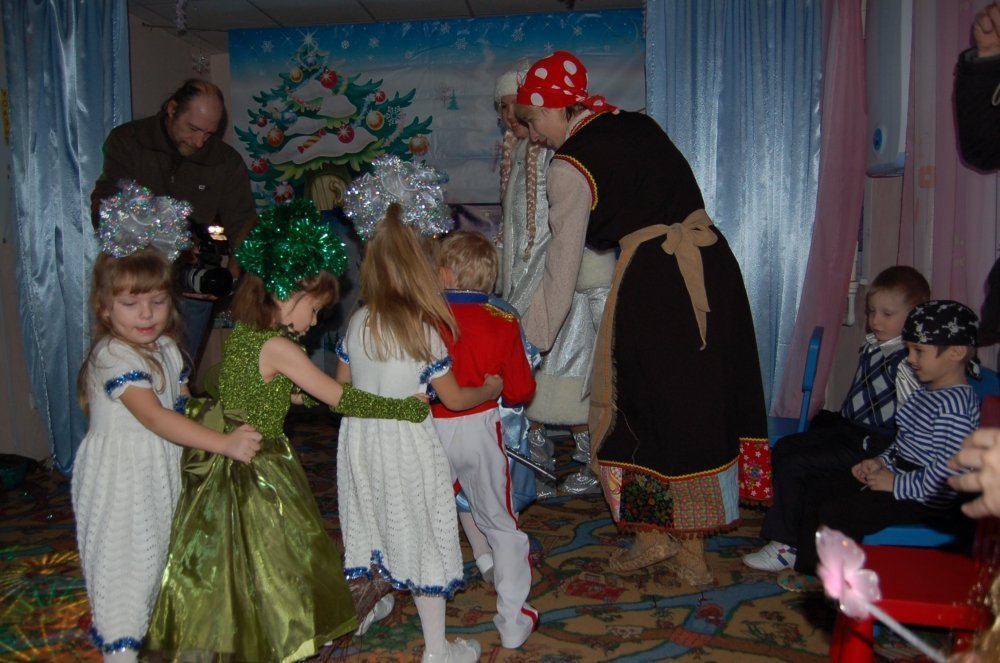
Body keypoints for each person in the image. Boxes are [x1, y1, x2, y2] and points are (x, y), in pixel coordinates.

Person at [514, 51, 770, 585]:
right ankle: (666, 540)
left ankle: (681, 548)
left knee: (643, 406)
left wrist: (524, 345)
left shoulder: (569, 167)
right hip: (712, 268)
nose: (534, 136)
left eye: (533, 121)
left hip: (656, 282)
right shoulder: (638, 124)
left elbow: (560, 272)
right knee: (696, 402)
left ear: (556, 107)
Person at [144, 199, 431, 663]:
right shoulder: (281, 347)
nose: (313, 323)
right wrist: (401, 408)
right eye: (313, 310)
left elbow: (246, 387)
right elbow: (340, 398)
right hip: (258, 463)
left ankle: (240, 633)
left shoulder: (246, 333)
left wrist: (297, 396)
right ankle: (279, 639)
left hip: (225, 457)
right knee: (278, 556)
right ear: (284, 294)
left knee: (234, 559)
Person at [72, 186, 263, 662]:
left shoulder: (167, 349)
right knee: (124, 574)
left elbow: (183, 407)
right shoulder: (113, 355)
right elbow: (155, 417)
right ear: (104, 307)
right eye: (131, 304)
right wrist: (222, 443)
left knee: (162, 564)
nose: (146, 315)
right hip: (121, 482)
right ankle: (120, 651)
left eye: (157, 302)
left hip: (160, 473)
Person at [337, 176, 501, 661]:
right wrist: (490, 389)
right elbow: (454, 398)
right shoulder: (421, 329)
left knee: (373, 519)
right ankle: (436, 650)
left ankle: (368, 606)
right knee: (425, 532)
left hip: (360, 445)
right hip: (407, 446)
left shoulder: (357, 321)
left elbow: (343, 388)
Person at [742, 265, 928, 572]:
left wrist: (889, 460)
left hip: (873, 443)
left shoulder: (907, 363)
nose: (875, 321)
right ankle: (792, 527)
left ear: (914, 316)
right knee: (786, 448)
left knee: (797, 463)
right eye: (872, 312)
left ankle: (787, 545)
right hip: (849, 429)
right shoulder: (876, 347)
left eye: (887, 314)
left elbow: (911, 424)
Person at [790, 300, 981, 579]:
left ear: (956, 352)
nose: (911, 359)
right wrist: (881, 461)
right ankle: (812, 571)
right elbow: (905, 442)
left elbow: (950, 476)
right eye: (909, 349)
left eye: (919, 351)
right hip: (905, 478)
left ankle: (844, 587)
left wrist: (896, 483)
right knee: (821, 488)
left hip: (931, 498)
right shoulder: (926, 392)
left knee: (841, 513)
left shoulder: (955, 408)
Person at [494, 60, 614, 497]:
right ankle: (536, 455)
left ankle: (590, 457)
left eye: (516, 106)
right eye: (502, 108)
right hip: (523, 282)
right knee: (533, 373)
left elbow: (564, 233)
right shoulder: (518, 156)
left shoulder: (558, 151)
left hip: (558, 281)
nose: (510, 115)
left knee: (568, 370)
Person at [91, 79, 258, 364]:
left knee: (180, 368)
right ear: (172, 109)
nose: (199, 141)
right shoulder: (129, 140)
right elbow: (106, 206)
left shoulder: (226, 161)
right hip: (136, 284)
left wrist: (230, 278)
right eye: (193, 129)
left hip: (192, 287)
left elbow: (244, 225)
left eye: (209, 133)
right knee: (130, 366)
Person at [433, 230, 539, 650]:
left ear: (444, 273)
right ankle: (513, 619)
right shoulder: (504, 321)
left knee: (424, 515)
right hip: (480, 429)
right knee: (501, 523)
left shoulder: (426, 318)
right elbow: (520, 390)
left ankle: (408, 596)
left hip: (429, 427)